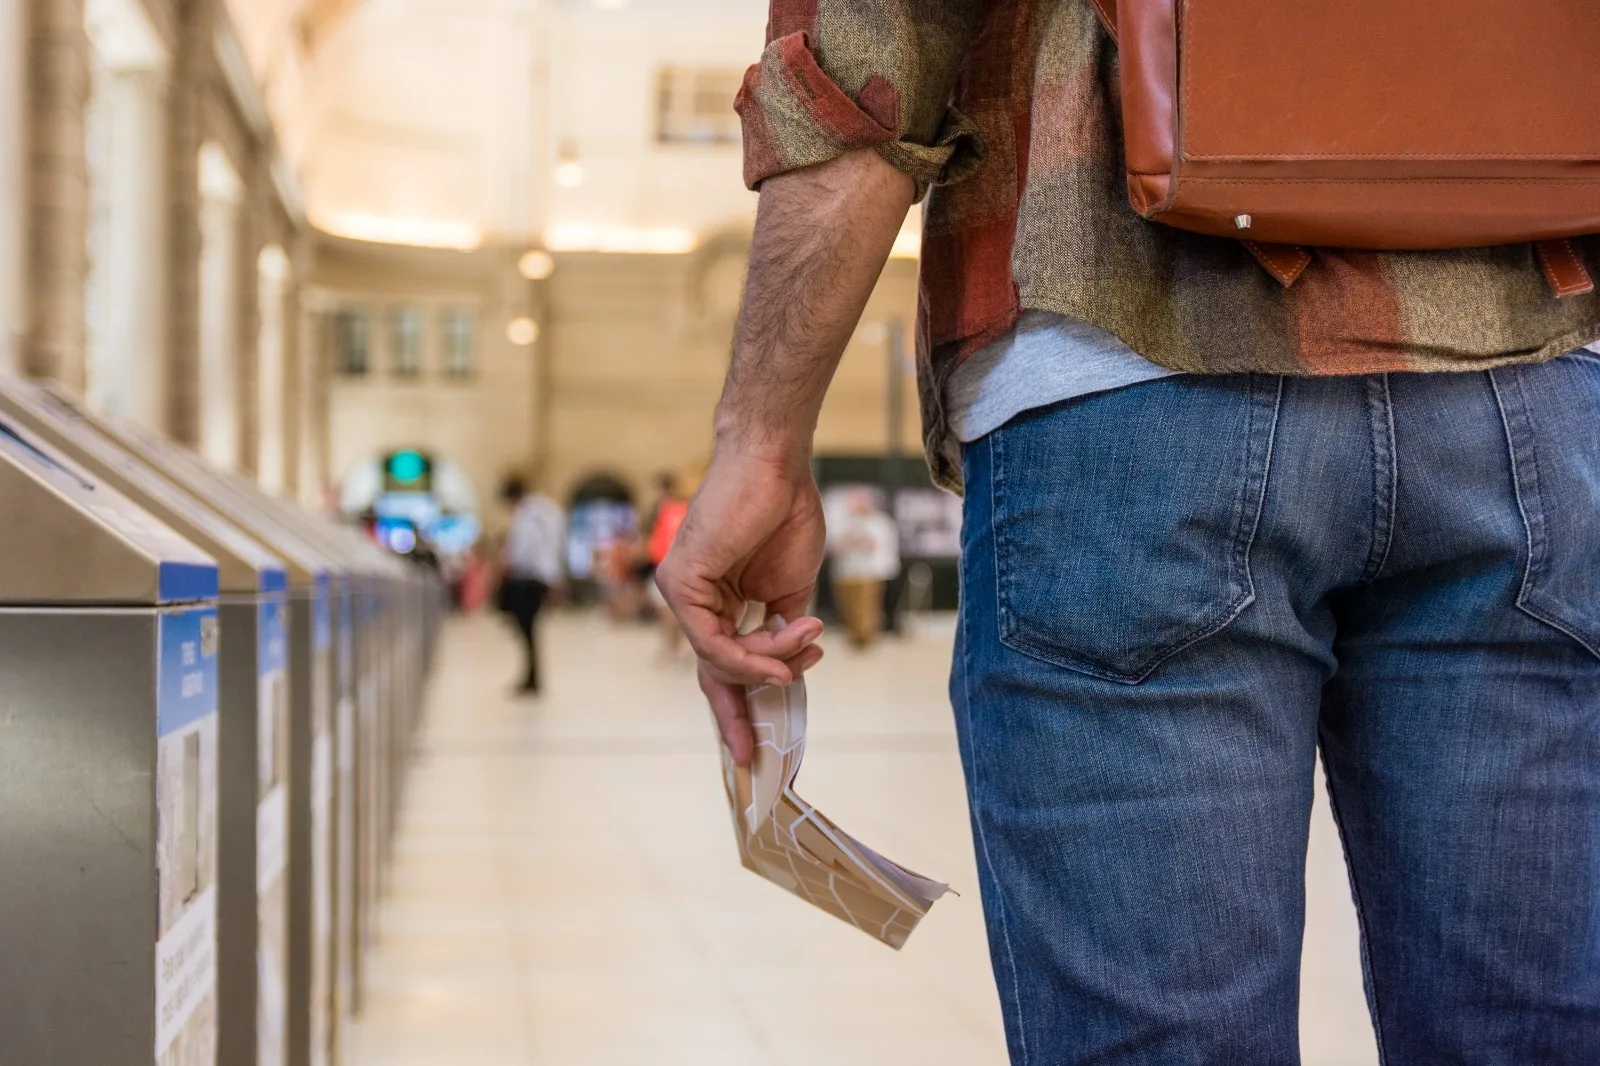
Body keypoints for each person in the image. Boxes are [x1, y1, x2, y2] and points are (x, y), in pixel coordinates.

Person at [654, 4, 1600, 1061]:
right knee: (1540, 1032)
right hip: (1534, 384)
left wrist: (762, 439)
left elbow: (872, 52)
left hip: (1130, 358)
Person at [498, 475, 565, 696]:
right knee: (530, 632)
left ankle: (532, 678)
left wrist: (509, 564)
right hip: (541, 577)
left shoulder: (528, 515)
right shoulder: (546, 509)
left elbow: (525, 548)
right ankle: (531, 676)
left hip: (528, 578)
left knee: (527, 631)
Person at [827, 490, 900, 649]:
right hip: (846, 573)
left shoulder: (880, 522)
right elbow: (835, 544)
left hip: (871, 572)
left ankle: (868, 636)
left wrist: (856, 542)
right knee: (849, 608)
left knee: (869, 607)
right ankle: (854, 635)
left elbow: (875, 545)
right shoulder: (844, 521)